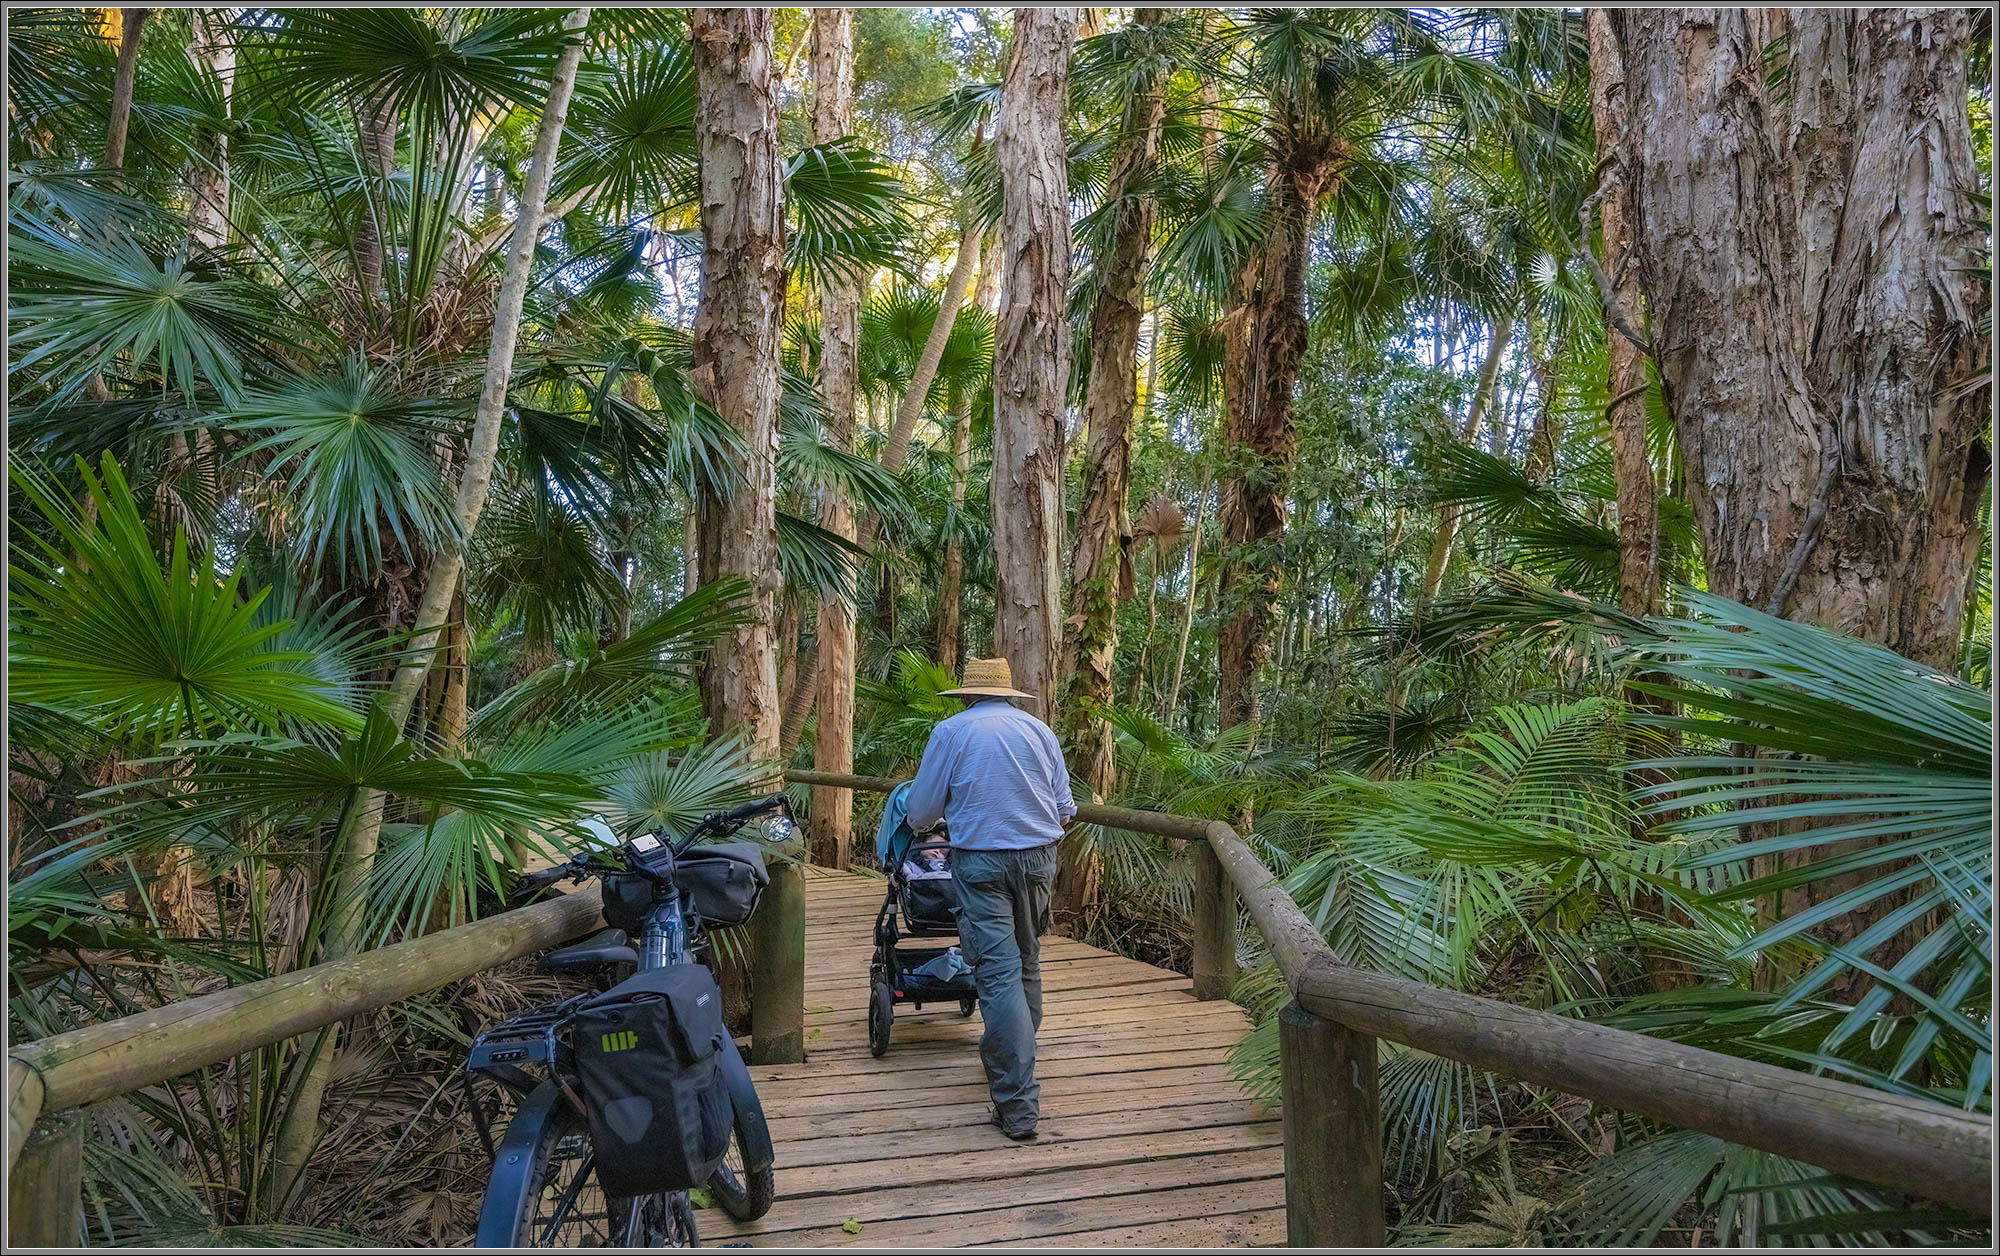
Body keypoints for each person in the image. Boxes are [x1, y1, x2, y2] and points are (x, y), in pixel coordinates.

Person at [904, 657, 1075, 1142]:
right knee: (1026, 963)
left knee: (997, 978)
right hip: (1039, 858)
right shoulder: (1039, 731)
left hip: (980, 863)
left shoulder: (952, 732)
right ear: (1009, 693)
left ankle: (1017, 1104)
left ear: (967, 694)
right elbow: (1065, 808)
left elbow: (921, 810)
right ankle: (1013, 1056)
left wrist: (934, 824)